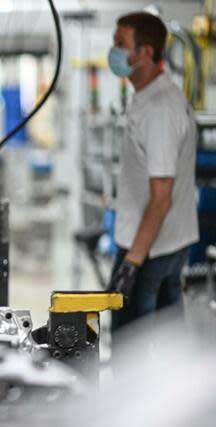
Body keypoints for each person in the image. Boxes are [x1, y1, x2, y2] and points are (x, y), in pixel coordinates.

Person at [107, 12, 198, 330]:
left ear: (145, 52)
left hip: (148, 251)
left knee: (133, 352)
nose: (113, 51)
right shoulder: (148, 97)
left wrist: (131, 263)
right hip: (163, 243)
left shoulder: (160, 109)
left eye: (121, 43)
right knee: (166, 351)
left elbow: (161, 197)